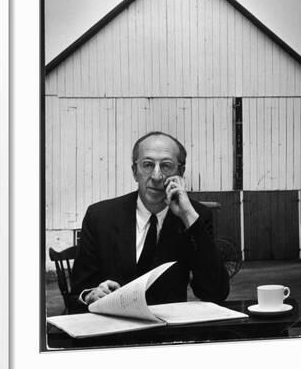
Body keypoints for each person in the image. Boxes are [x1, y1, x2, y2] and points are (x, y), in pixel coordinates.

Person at [70, 131, 229, 310]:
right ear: (135, 172)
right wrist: (91, 295)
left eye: (166, 166)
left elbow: (216, 292)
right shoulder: (100, 216)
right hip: (113, 327)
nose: (156, 176)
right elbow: (78, 292)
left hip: (168, 330)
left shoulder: (196, 215)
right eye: (147, 165)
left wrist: (189, 217)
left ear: (181, 172)